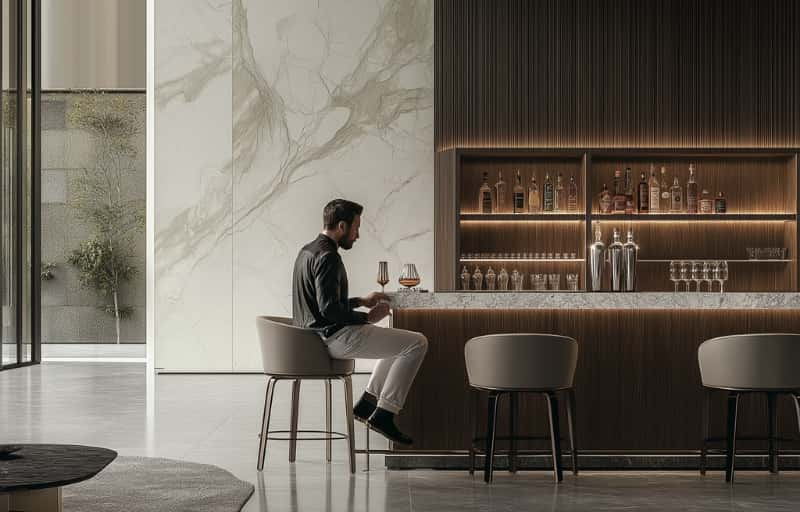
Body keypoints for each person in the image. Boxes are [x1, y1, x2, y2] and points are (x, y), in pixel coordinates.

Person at [292, 199, 427, 445]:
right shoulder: (329, 257)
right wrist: (367, 317)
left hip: (315, 339)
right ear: (342, 226)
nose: (358, 235)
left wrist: (360, 301)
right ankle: (385, 414)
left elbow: (321, 304)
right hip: (334, 338)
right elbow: (329, 310)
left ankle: (367, 404)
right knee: (417, 343)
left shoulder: (307, 251)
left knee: (395, 343)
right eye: (356, 228)